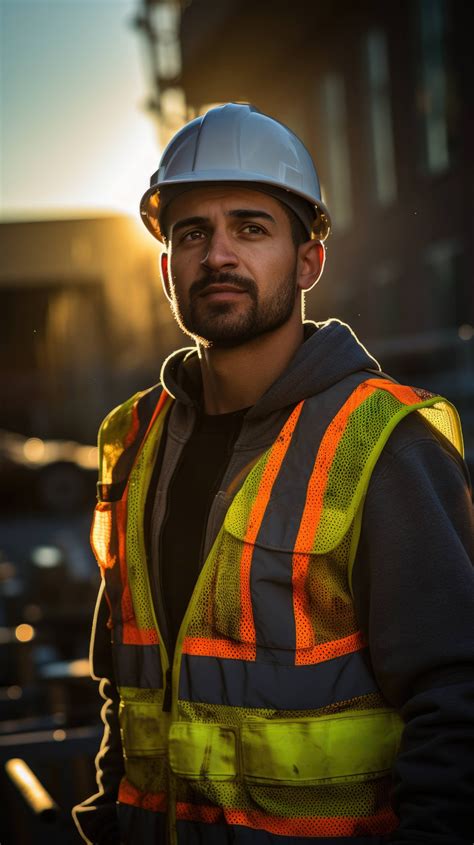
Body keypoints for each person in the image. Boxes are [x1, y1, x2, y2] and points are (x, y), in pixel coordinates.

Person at [73, 103, 474, 845]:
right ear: (166, 269)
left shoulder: (383, 441)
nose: (217, 255)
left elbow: (456, 701)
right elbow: (124, 690)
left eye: (250, 228)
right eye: (192, 233)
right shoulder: (132, 438)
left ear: (308, 261)